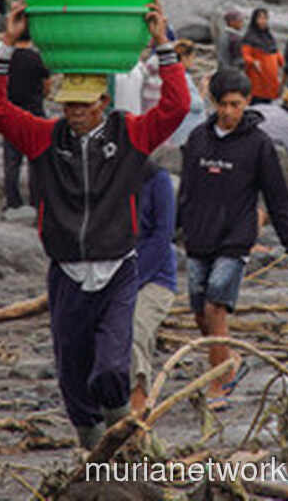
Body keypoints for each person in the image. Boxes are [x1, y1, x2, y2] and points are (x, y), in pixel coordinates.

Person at [0, 2, 189, 449]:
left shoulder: (129, 134)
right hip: (67, 272)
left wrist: (163, 44)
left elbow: (176, 107)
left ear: (103, 104)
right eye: (68, 105)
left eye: (83, 105)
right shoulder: (44, 139)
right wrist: (7, 43)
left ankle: (123, 444)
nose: (73, 112)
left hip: (118, 270)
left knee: (113, 368)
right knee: (72, 375)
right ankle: (94, 454)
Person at [179, 68, 288, 408]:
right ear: (213, 102)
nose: (229, 112)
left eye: (236, 104)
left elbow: (278, 198)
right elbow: (186, 189)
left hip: (236, 236)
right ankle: (230, 359)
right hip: (198, 235)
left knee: (216, 305)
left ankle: (220, 382)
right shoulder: (197, 140)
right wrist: (177, 228)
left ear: (247, 102)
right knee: (200, 315)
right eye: (223, 104)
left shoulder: (259, 145)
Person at [130, 164, 177, 416]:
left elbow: (163, 235)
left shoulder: (157, 178)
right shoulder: (106, 175)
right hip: (110, 272)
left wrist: (133, 280)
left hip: (156, 276)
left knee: (136, 329)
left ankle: (138, 404)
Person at [2, 26, 51, 210]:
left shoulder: (7, 59)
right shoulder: (37, 58)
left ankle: (12, 201)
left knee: (11, 161)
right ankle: (36, 201)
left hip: (12, 114)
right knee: (36, 160)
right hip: (34, 114)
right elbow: (47, 86)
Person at [240, 8, 282, 104]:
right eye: (260, 18)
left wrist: (280, 60)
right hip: (257, 79)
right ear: (254, 20)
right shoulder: (249, 37)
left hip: (271, 80)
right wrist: (253, 62)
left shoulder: (269, 36)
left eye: (265, 18)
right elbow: (245, 55)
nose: (263, 21)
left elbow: (276, 52)